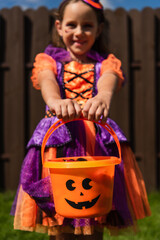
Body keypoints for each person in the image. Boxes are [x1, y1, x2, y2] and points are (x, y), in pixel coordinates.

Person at [11, 0, 151, 239]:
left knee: (95, 213)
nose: (79, 32)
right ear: (59, 26)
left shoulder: (106, 64)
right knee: (59, 216)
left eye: (87, 25)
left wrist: (103, 96)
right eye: (71, 25)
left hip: (94, 143)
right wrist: (56, 102)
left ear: (98, 29)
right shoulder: (48, 62)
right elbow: (47, 83)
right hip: (59, 141)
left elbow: (108, 82)